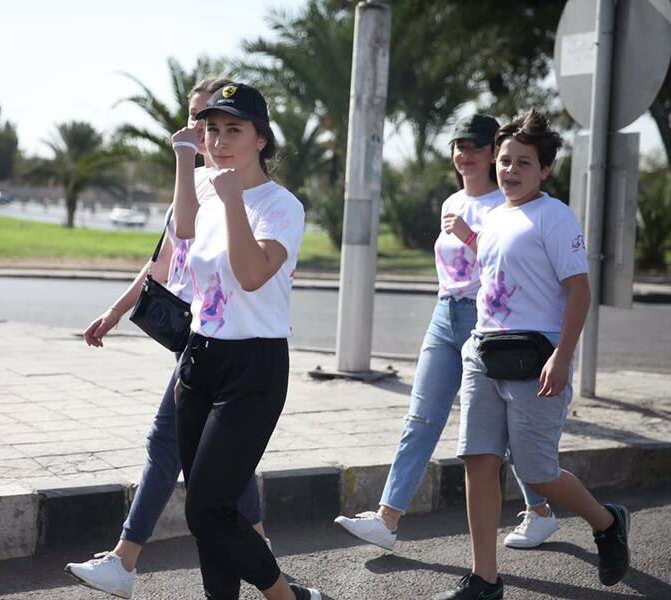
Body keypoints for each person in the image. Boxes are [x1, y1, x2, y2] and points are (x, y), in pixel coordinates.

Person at [64, 78, 269, 600]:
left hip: (217, 338)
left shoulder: (233, 188)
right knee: (219, 457)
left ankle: (125, 560)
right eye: (199, 122)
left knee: (169, 445)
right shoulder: (196, 183)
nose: (204, 134)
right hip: (194, 333)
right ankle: (264, 559)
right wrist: (115, 310)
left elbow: (245, 265)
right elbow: (163, 261)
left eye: (217, 124)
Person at [334, 114, 559, 551]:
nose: (465, 155)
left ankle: (541, 511)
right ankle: (387, 518)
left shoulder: (508, 204)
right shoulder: (451, 201)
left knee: (507, 430)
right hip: (445, 314)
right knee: (421, 417)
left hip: (491, 323)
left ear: (494, 154)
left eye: (475, 147)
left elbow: (509, 270)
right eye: (459, 146)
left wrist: (472, 237)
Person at [435, 110, 630, 600]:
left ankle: (606, 521)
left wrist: (562, 358)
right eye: (504, 161)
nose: (510, 170)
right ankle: (485, 579)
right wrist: (470, 240)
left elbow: (579, 291)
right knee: (477, 460)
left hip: (536, 356)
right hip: (483, 350)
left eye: (524, 162)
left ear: (545, 169)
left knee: (536, 472)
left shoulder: (555, 215)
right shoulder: (494, 215)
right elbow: (501, 269)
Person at [172, 82, 321, 600]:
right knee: (212, 511)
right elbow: (185, 228)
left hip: (253, 366)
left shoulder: (282, 207)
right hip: (199, 359)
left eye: (234, 129)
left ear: (261, 139)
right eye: (212, 129)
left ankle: (283, 594)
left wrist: (235, 199)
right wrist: (184, 156)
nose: (220, 140)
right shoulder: (209, 188)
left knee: (207, 510)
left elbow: (253, 274)